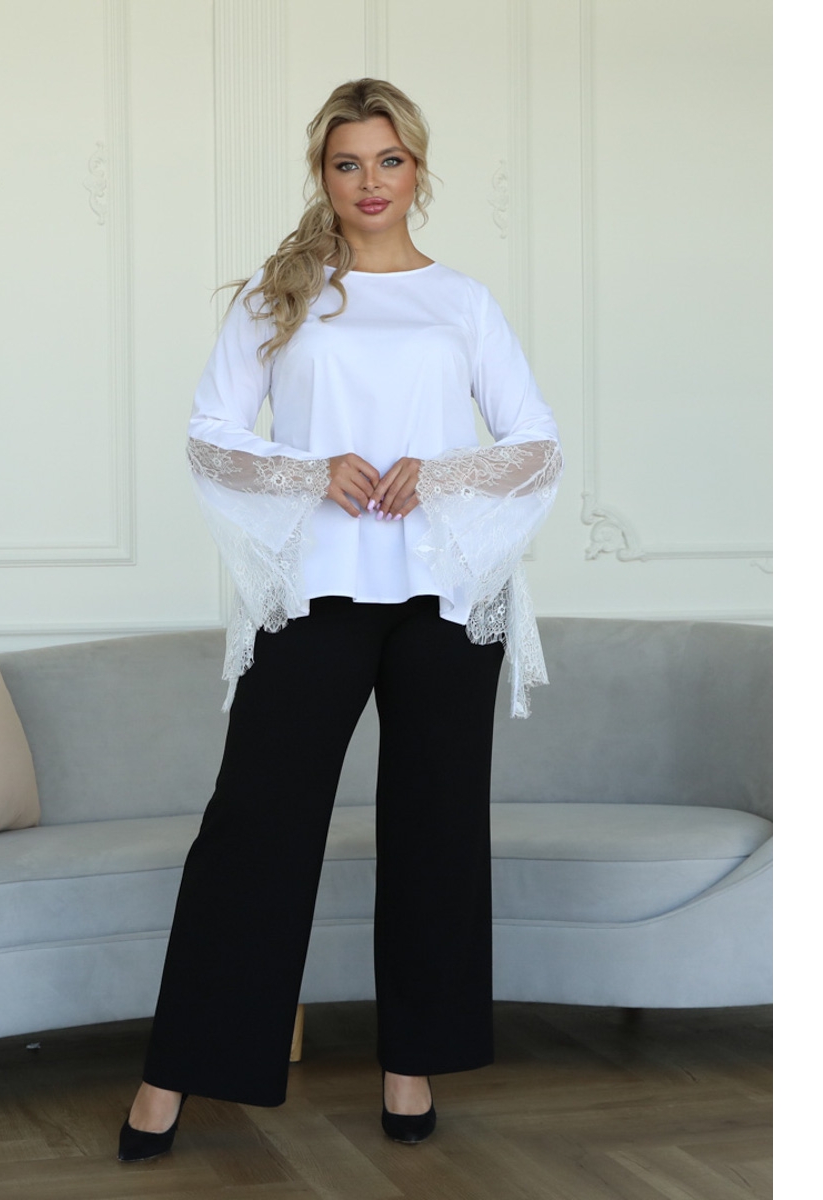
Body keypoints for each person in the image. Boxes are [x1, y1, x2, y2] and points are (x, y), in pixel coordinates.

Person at [118, 77, 562, 1162]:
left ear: (418, 168)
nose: (371, 182)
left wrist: (438, 474)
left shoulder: (462, 301)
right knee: (254, 828)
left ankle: (413, 1064)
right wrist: (310, 471)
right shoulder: (280, 297)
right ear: (322, 174)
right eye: (348, 162)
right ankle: (175, 1073)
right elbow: (211, 434)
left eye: (389, 160)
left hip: (445, 599)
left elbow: (535, 446)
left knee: (435, 830)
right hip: (316, 590)